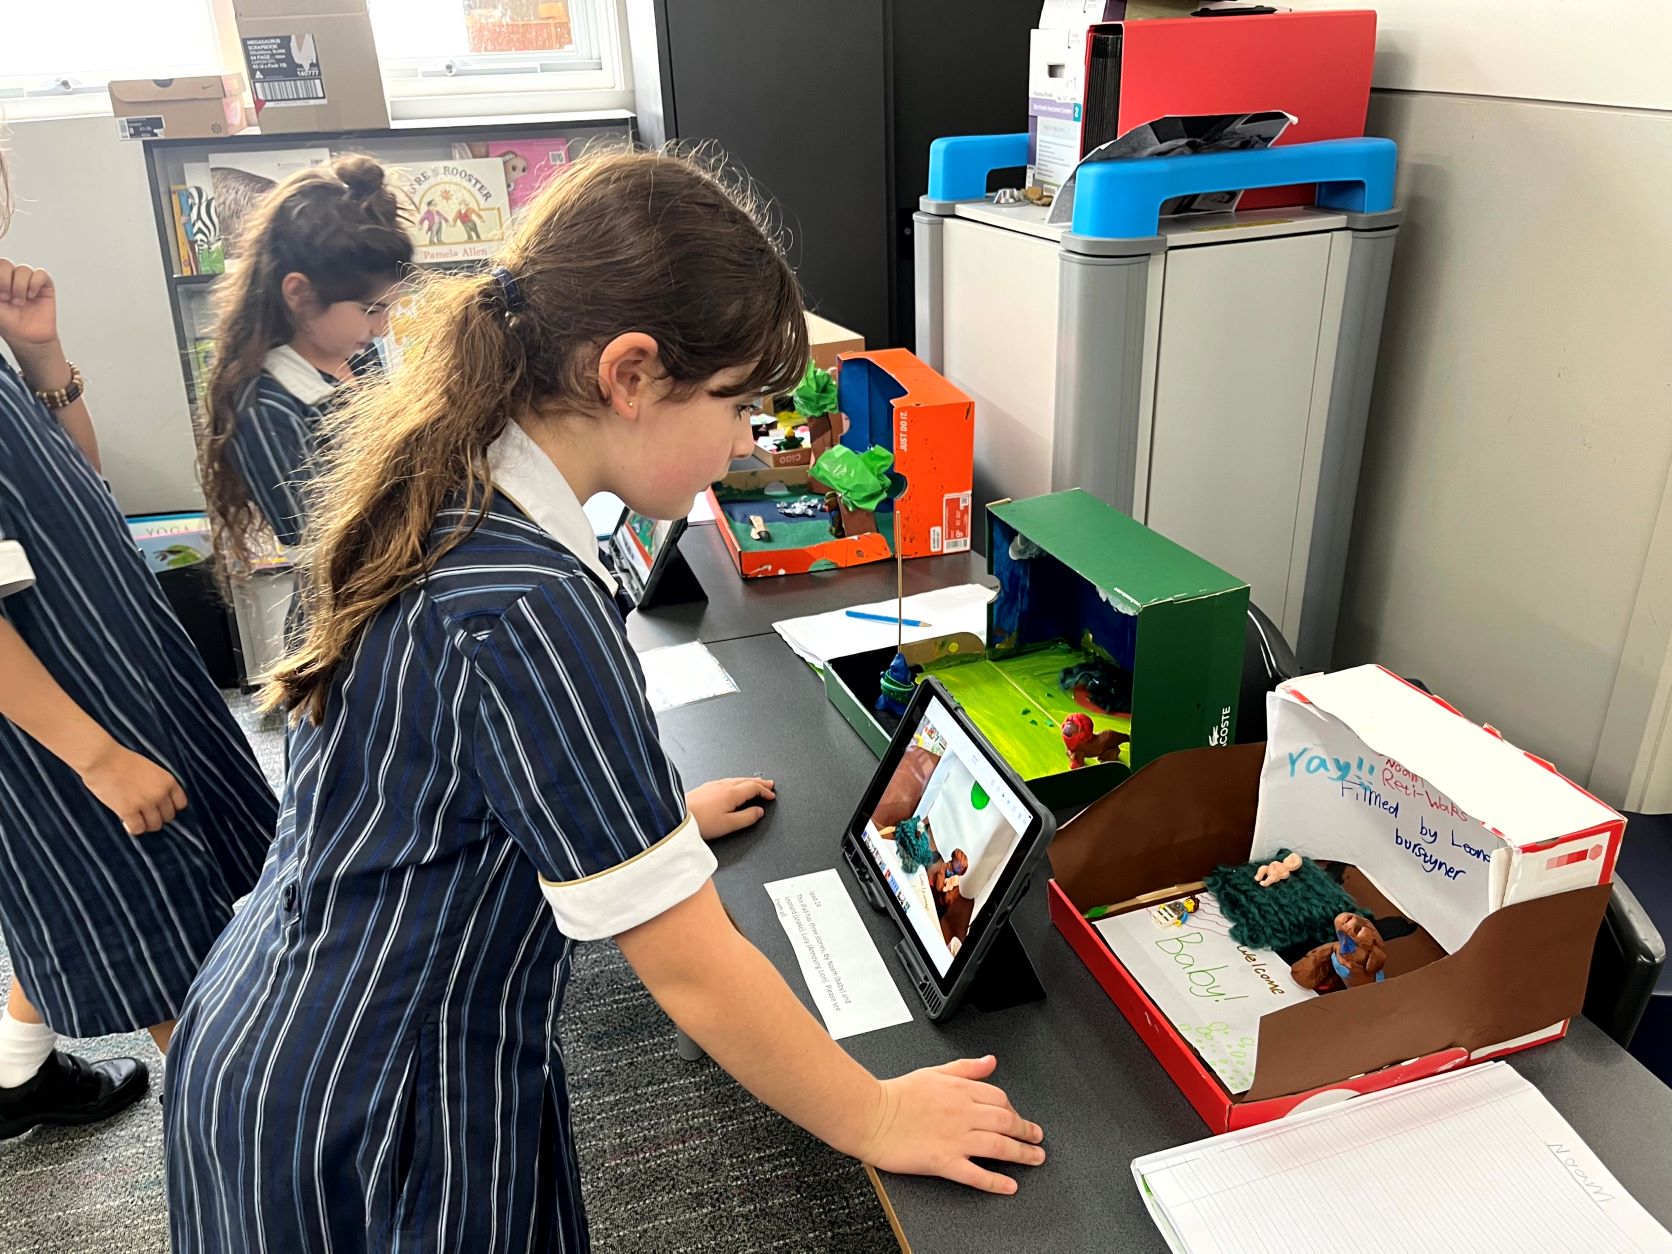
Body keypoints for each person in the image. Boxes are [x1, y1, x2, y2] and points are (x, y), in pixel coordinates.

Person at [164, 149, 1044, 1252]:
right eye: (735, 404)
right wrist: (873, 1110)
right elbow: (692, 970)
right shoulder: (527, 601)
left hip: (289, 1018)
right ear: (628, 374)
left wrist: (643, 823)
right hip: (383, 1095)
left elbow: (455, 770)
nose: (740, 443)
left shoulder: (447, 476)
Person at [0, 230, 279, 1133]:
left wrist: (44, 355)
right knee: (159, 930)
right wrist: (96, 757)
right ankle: (253, 1153)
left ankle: (12, 1072)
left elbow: (80, 476)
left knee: (138, 898)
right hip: (59, 713)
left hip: (113, 661)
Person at [196, 154, 412, 581]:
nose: (382, 327)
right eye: (370, 309)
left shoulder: (358, 356)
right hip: (352, 600)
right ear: (299, 293)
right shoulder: (262, 407)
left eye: (387, 309)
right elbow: (319, 537)